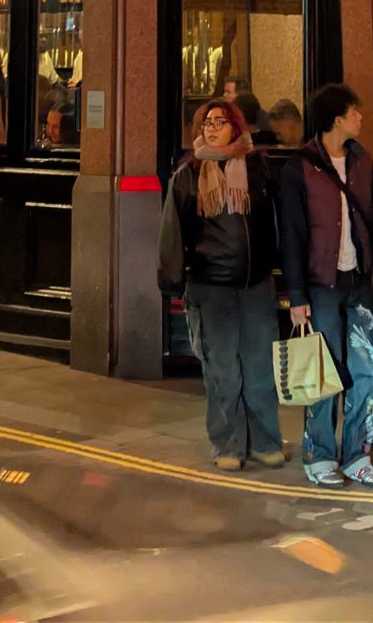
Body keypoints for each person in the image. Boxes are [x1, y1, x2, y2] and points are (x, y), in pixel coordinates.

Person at [277, 82, 373, 488]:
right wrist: (296, 296)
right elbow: (291, 235)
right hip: (321, 285)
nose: (360, 118)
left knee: (366, 371)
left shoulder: (362, 161)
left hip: (360, 281)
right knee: (325, 373)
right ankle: (320, 455)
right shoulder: (300, 168)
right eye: (354, 112)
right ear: (337, 119)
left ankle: (358, 454)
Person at [157, 98, 286, 472]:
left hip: (255, 284)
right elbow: (172, 234)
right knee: (222, 371)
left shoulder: (259, 169)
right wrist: (173, 282)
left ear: (236, 126)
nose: (212, 128)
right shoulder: (188, 176)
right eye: (206, 123)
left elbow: (277, 223)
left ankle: (265, 442)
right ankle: (227, 444)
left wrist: (285, 273)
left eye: (220, 121)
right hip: (211, 286)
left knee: (260, 369)